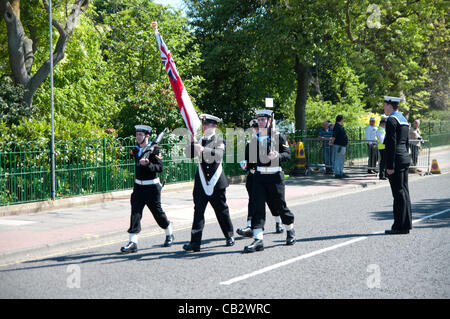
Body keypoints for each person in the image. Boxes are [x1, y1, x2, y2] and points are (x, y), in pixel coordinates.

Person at [243, 109, 296, 253]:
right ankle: (258, 239)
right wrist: (245, 164)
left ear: (269, 121)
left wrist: (277, 155)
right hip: (259, 178)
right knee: (257, 207)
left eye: (262, 119)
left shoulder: (278, 137)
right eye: (258, 120)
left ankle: (290, 229)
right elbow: (249, 160)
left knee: (280, 206)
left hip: (275, 178)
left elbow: (288, 155)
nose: (260, 122)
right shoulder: (254, 139)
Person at [183, 114, 235, 252]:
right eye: (204, 125)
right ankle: (195, 242)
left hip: (217, 182)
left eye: (208, 125)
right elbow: (188, 155)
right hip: (201, 182)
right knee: (198, 212)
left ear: (214, 126)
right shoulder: (198, 139)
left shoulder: (219, 139)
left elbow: (218, 155)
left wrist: (203, 149)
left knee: (221, 211)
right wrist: (191, 143)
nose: (205, 127)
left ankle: (229, 235)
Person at [121, 125, 174, 253]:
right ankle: (133, 242)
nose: (137, 136)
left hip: (152, 187)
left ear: (147, 136)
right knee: (135, 214)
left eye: (140, 134)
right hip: (138, 187)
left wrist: (148, 164)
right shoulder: (135, 149)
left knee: (158, 213)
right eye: (137, 134)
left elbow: (159, 168)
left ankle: (169, 232)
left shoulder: (155, 149)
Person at [237, 119, 284, 238]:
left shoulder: (271, 140)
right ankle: (250, 226)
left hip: (267, 176)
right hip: (253, 176)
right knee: (253, 202)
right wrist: (244, 165)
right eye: (255, 128)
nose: (257, 130)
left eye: (258, 128)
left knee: (272, 201)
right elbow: (247, 161)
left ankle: (278, 221)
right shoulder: (251, 142)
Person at [383, 96, 412, 235]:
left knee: (398, 193)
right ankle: (405, 224)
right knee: (404, 192)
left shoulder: (391, 120)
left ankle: (400, 226)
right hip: (404, 157)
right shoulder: (404, 120)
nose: (384, 108)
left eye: (385, 105)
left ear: (390, 106)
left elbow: (391, 144)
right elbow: (406, 142)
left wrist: (390, 165)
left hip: (396, 159)